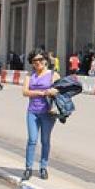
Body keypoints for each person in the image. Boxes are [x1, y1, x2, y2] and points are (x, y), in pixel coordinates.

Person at [21, 49, 60, 181]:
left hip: (48, 113)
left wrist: (54, 91)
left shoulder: (53, 75)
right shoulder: (29, 76)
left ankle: (43, 168)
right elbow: (25, 92)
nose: (38, 62)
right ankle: (28, 168)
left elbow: (61, 91)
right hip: (32, 111)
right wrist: (41, 93)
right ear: (32, 63)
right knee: (32, 140)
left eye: (40, 59)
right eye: (34, 61)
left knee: (45, 141)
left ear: (45, 60)